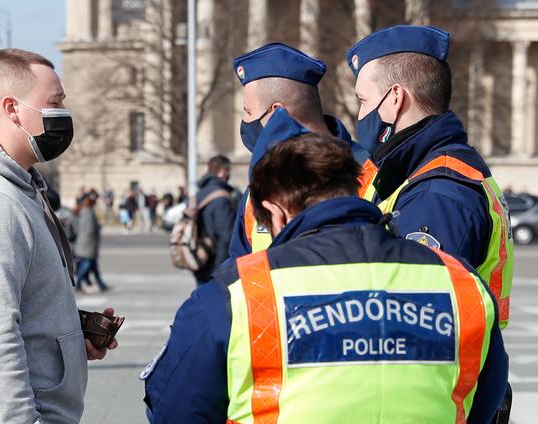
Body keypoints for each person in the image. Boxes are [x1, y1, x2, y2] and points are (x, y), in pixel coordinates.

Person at [142, 133, 508, 424]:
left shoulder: (238, 293)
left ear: (275, 211)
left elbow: (174, 408)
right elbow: (482, 402)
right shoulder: (461, 284)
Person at [0, 48, 117, 424]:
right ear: (13, 109)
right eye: (55, 102)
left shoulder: (18, 189)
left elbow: (16, 299)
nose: (63, 113)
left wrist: (71, 332)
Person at [347, 25, 513, 329]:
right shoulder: (431, 172)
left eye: (363, 101)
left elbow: (411, 325)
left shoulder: (435, 196)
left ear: (395, 97)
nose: (359, 116)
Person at [228, 42, 366, 259]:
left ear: (276, 113)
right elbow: (237, 266)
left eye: (248, 111)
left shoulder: (371, 172)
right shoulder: (260, 182)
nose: (245, 121)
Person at [193, 155, 237, 285]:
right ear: (223, 171)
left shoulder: (199, 194)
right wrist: (223, 271)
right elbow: (227, 236)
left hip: (200, 258)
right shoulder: (221, 197)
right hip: (215, 266)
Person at [74, 191, 110, 293]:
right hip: (87, 244)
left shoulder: (86, 210)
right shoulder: (87, 211)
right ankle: (78, 285)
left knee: (94, 266)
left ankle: (101, 285)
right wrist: (98, 227)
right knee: (85, 265)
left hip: (87, 244)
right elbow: (89, 229)